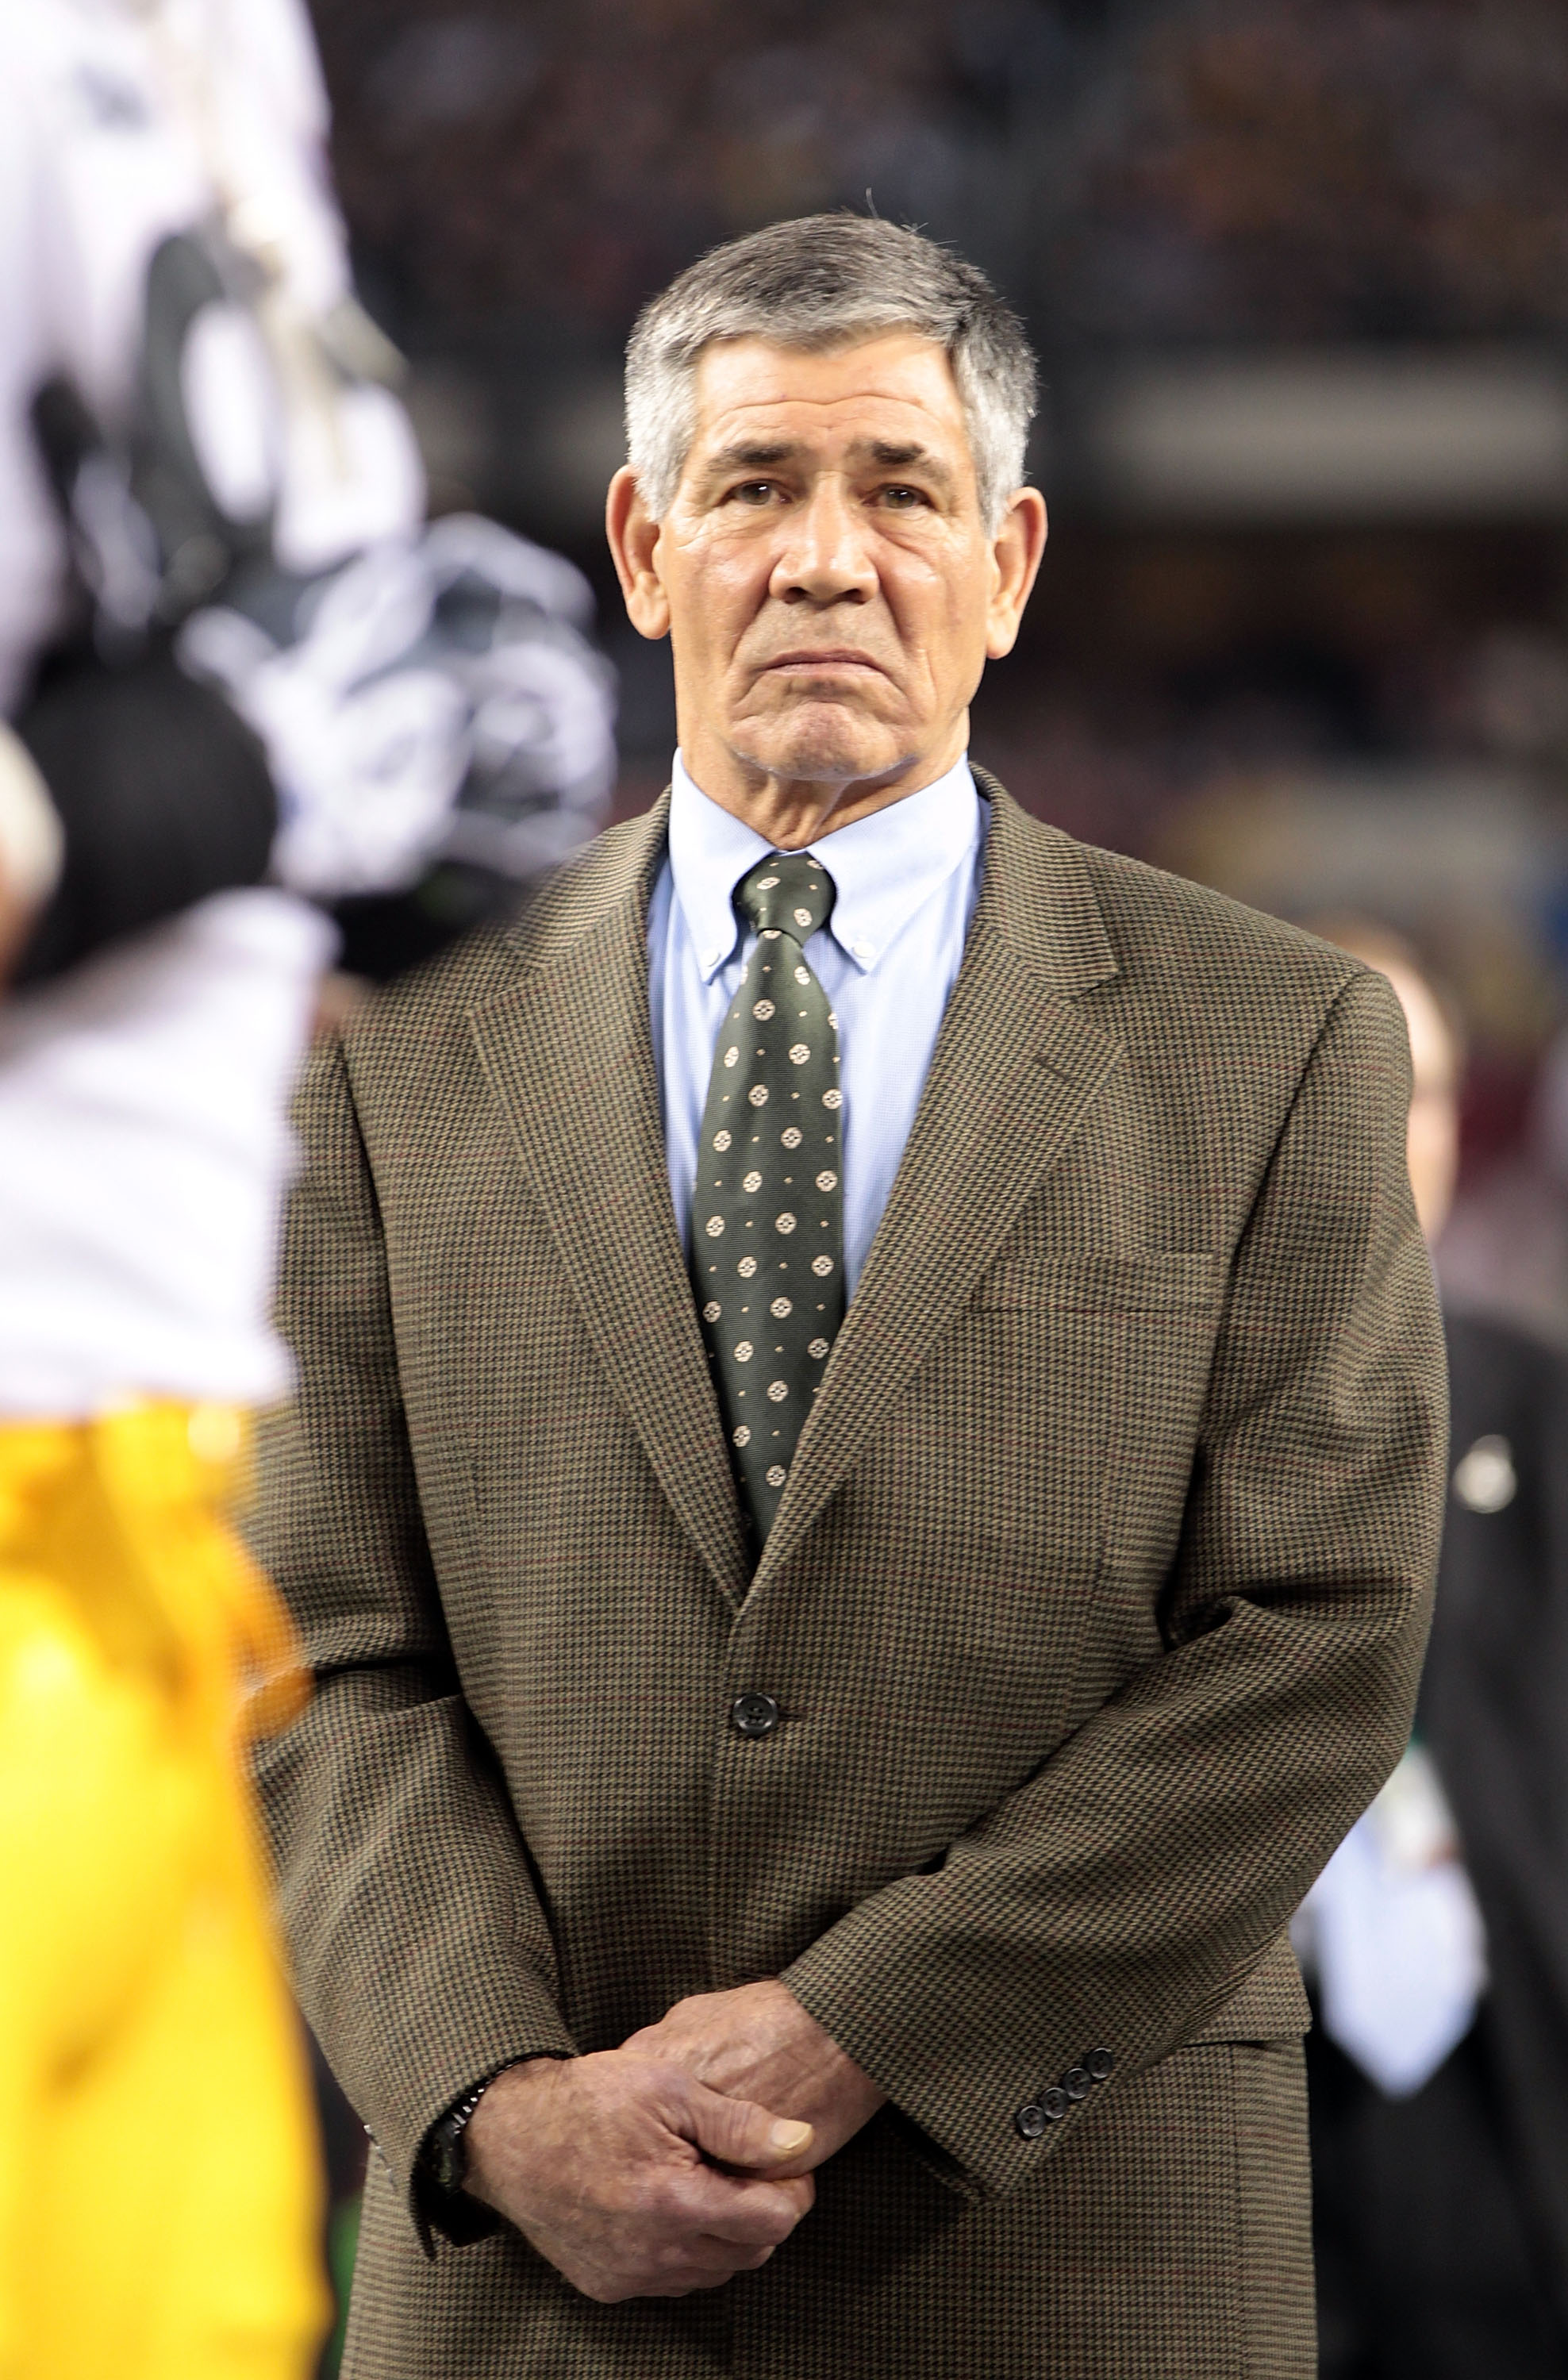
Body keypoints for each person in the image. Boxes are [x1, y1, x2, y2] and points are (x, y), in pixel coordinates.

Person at [252, 213, 1447, 2380]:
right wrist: (507, 2108)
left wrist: (857, 2031)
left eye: (899, 489)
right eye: (754, 488)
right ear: (641, 547)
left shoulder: (1271, 1038)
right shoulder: (393, 1054)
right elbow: (322, 1652)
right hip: (530, 2284)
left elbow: (1319, 1638)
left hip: (1077, 2271)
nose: (824, 560)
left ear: (1008, 562)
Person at [0, 4, 610, 2374]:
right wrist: (214, 780)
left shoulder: (214, 36)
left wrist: (365, 892)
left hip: (150, 1555)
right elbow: (182, 764)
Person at [1299, 924, 1568, 2378]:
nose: (1394, 1134)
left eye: (1426, 1089)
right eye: (1342, 1081)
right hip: (1216, 2120)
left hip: (1505, 2116)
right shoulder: (1090, 1438)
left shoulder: (1546, 1418)